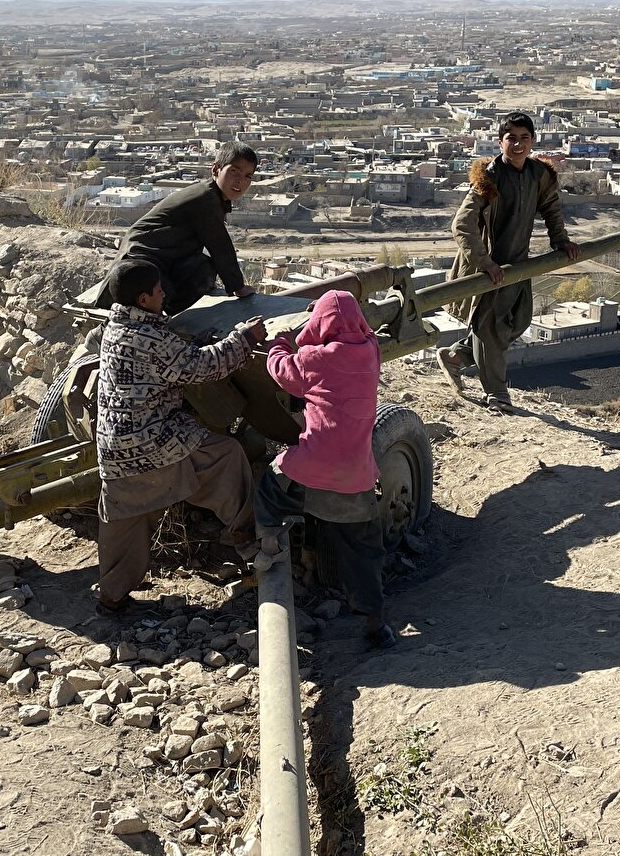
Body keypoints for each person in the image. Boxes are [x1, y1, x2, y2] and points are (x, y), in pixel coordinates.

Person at [95, 259, 266, 613]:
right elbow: (202, 368)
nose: (164, 294)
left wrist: (195, 344)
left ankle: (111, 596)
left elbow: (169, 359)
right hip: (154, 442)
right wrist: (245, 339)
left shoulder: (116, 328)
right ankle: (250, 541)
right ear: (143, 300)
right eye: (158, 290)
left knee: (122, 521)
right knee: (226, 456)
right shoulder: (151, 338)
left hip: (113, 450)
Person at [254, 290, 396, 650]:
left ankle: (269, 539)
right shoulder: (371, 352)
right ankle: (375, 623)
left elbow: (281, 370)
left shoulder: (314, 359)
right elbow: (364, 334)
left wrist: (280, 343)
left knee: (270, 484)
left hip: (313, 470)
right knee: (364, 551)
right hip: (356, 478)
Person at [436, 111, 581, 412]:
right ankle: (497, 395)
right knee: (490, 331)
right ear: (500, 142)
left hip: (519, 266)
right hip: (489, 271)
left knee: (519, 321)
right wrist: (484, 262)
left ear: (532, 141)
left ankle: (457, 356)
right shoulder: (488, 178)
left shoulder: (538, 174)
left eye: (524, 138)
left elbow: (551, 208)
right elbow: (461, 225)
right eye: (511, 138)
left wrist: (561, 240)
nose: (518, 144)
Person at [101, 141, 259, 315]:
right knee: (153, 297)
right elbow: (220, 245)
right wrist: (238, 287)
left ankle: (173, 315)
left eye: (247, 176)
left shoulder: (214, 197)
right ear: (215, 170)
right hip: (143, 256)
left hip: (165, 257)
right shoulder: (206, 198)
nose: (240, 181)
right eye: (234, 171)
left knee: (202, 270)